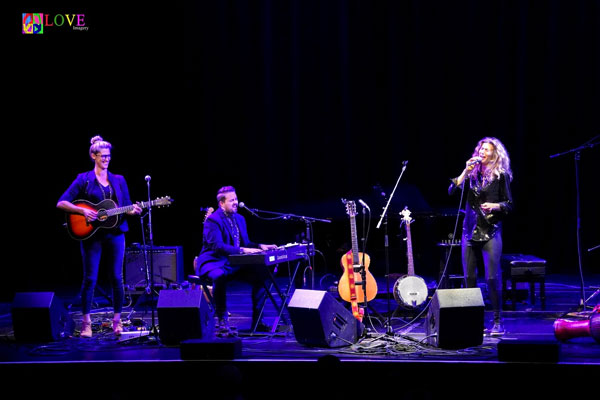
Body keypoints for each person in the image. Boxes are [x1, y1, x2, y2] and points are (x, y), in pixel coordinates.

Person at [57, 136, 142, 337]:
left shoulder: (119, 180)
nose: (106, 160)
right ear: (93, 156)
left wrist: (134, 210)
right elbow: (61, 203)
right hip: (91, 235)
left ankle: (117, 322)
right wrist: (82, 212)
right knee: (90, 279)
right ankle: (86, 324)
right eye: (102, 156)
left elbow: (127, 205)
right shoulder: (83, 179)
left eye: (109, 156)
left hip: (116, 234)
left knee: (116, 278)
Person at [448, 137, 513, 335]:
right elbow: (452, 190)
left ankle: (497, 320)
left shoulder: (500, 176)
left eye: (487, 149)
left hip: (491, 232)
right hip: (469, 232)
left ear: (494, 154)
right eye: (481, 148)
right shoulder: (471, 174)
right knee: (469, 277)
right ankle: (475, 321)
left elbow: (509, 204)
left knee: (492, 278)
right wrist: (465, 171)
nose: (483, 152)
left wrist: (495, 205)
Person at [196, 186, 277, 336]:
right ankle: (222, 320)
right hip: (214, 262)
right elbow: (217, 246)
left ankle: (258, 321)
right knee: (219, 275)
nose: (235, 202)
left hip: (234, 263)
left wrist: (260, 246)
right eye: (231, 200)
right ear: (221, 203)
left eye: (236, 199)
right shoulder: (212, 221)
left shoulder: (240, 219)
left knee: (264, 273)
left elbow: (245, 244)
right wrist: (242, 250)